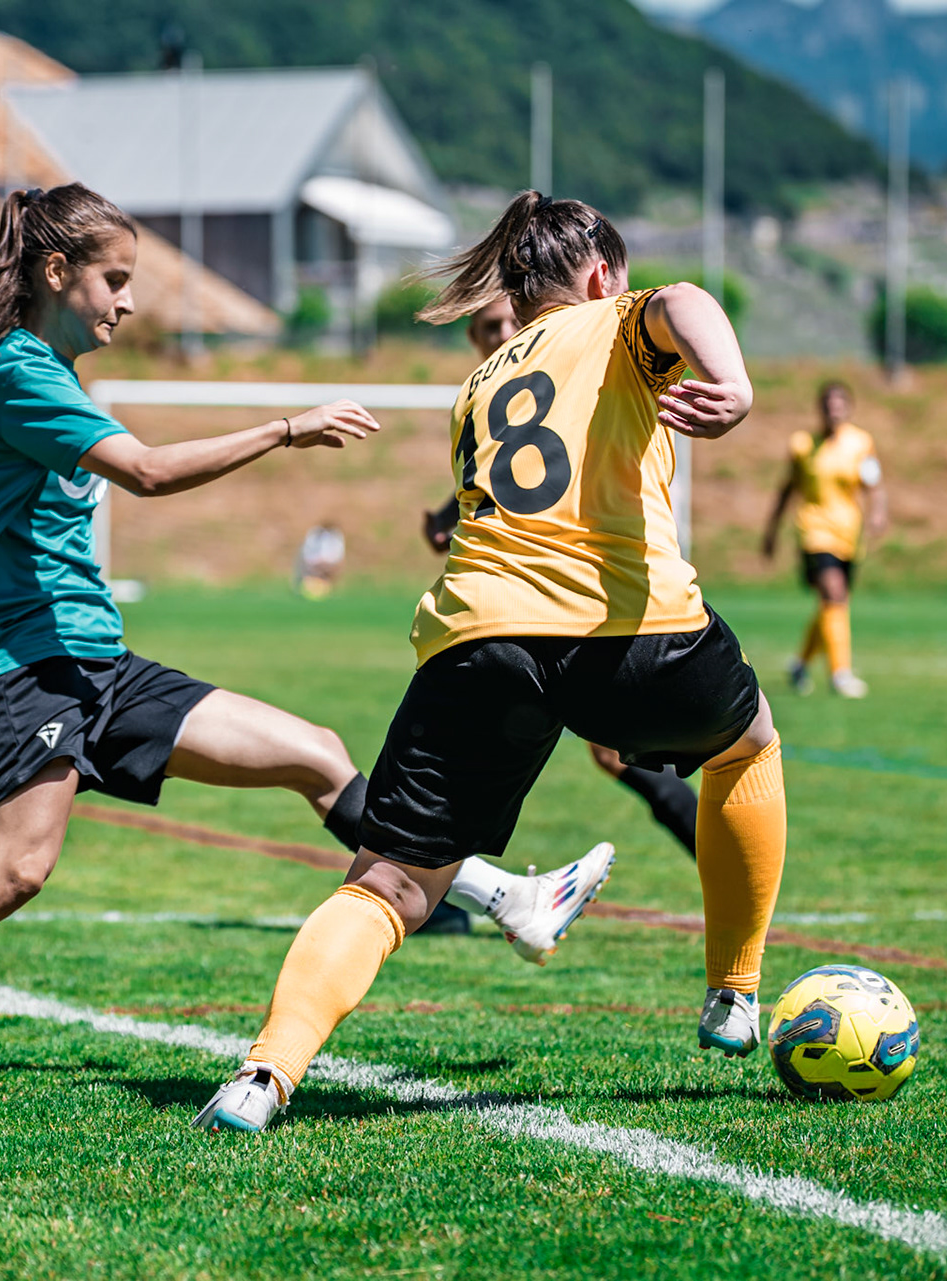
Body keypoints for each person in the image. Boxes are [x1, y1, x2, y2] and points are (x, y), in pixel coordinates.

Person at [0, 184, 614, 1100]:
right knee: (15, 868)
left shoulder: (38, 378)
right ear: (58, 273)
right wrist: (288, 428)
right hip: (24, 670)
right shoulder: (19, 376)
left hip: (95, 664)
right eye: (113, 279)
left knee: (317, 755)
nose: (127, 301)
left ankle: (508, 900)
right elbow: (149, 472)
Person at [195, 192, 789, 1133]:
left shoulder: (480, 382)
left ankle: (263, 1076)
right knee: (748, 745)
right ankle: (734, 990)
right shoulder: (621, 318)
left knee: (386, 882)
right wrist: (736, 382)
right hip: (624, 630)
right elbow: (685, 300)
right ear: (600, 277)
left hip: (479, 636)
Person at [424, 295, 700, 862]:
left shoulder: (565, 368)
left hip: (586, 601)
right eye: (487, 328)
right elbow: (517, 484)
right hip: (540, 610)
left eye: (507, 322)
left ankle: (439, 894)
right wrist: (448, 513)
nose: (500, 332)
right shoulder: (491, 390)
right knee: (606, 753)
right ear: (474, 339)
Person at [761, 380, 887, 699]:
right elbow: (787, 489)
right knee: (834, 593)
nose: (834, 410)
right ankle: (840, 673)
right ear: (820, 409)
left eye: (840, 404)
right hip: (814, 530)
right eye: (828, 405)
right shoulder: (803, 445)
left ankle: (800, 664)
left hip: (848, 533)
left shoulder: (861, 443)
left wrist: (877, 513)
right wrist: (771, 532)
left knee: (833, 604)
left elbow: (874, 484)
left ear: (849, 408)